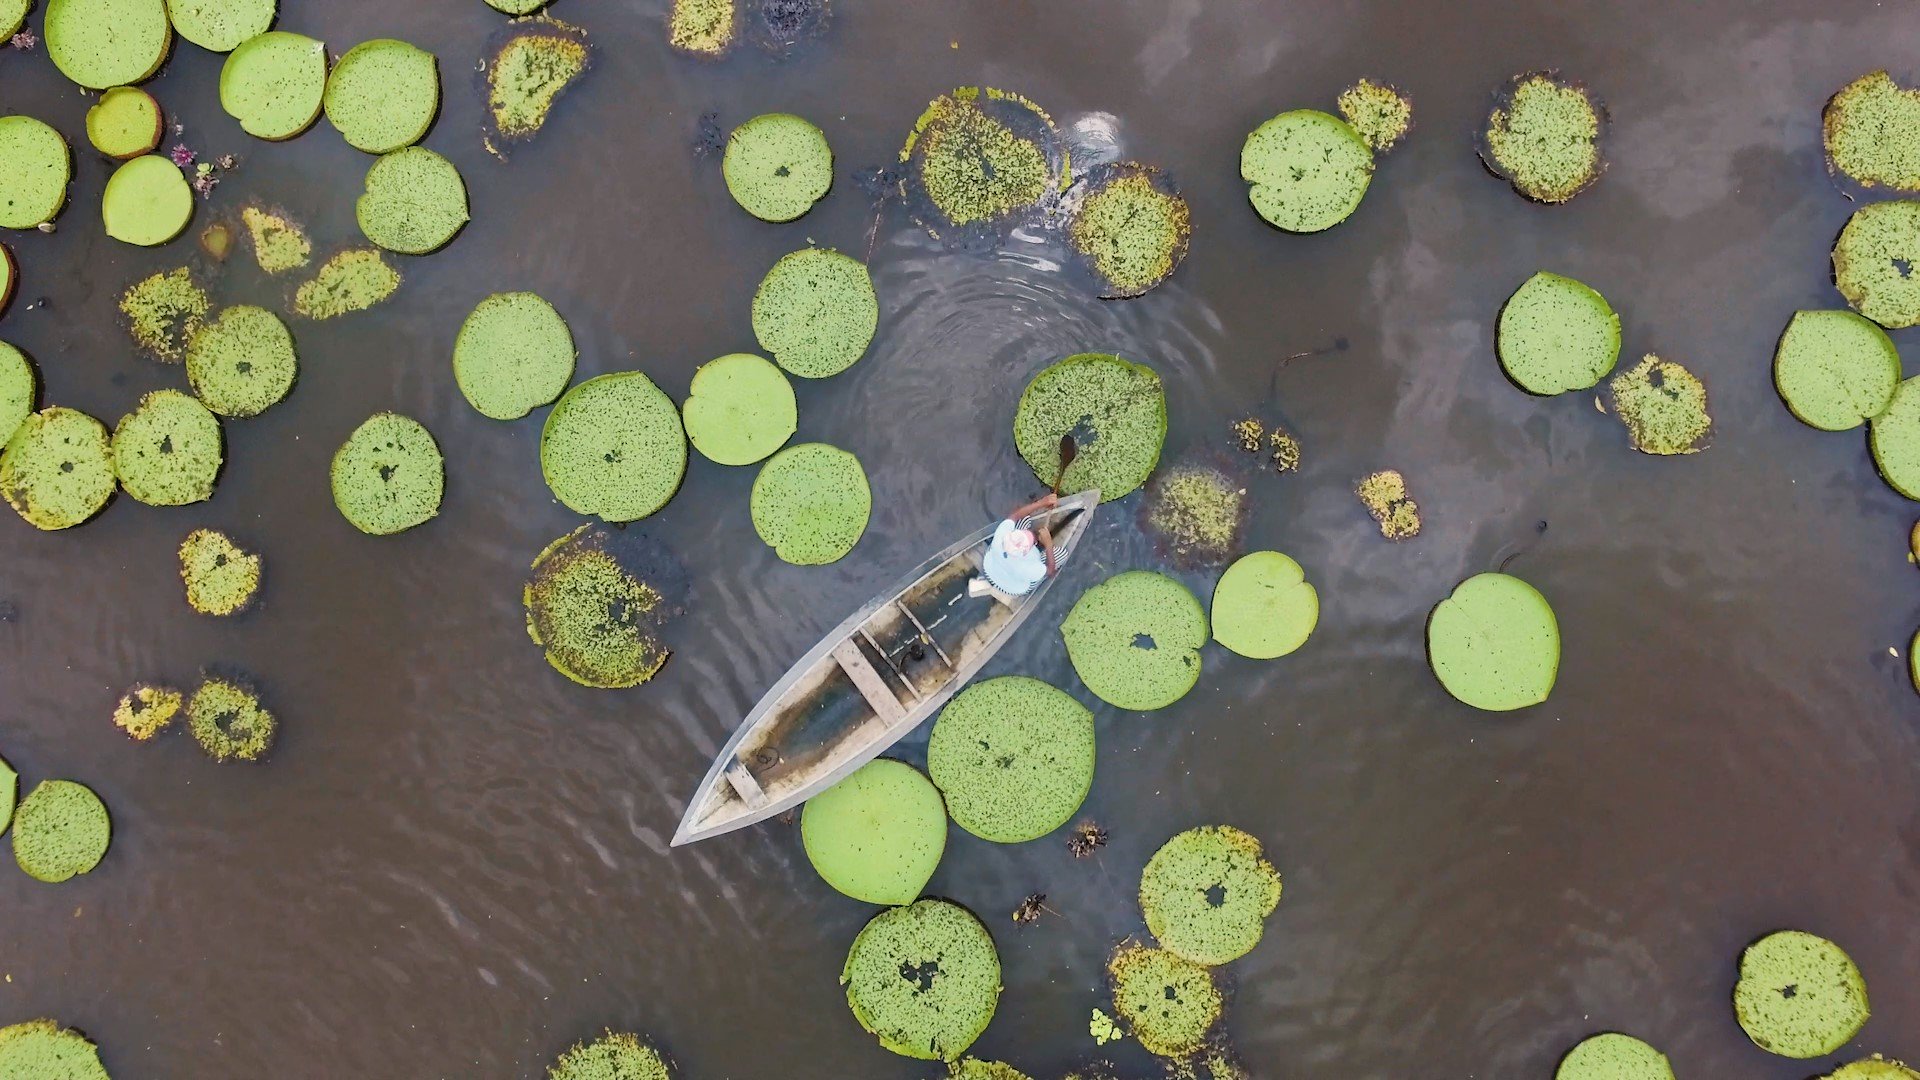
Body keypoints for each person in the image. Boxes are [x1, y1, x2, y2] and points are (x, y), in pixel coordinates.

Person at [971, 493, 1061, 599]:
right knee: (1061, 553)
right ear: (1026, 552)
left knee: (1023, 519)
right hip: (1013, 588)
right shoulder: (1028, 569)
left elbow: (1015, 515)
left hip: (990, 569)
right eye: (1033, 542)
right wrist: (1048, 545)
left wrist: (1042, 503)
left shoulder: (1001, 537)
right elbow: (1050, 572)